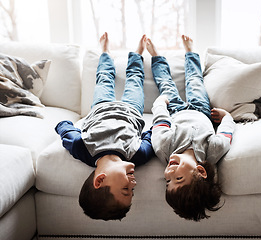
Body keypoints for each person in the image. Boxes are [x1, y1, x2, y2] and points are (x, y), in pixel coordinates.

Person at [55, 32, 154, 221]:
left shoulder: (81, 148)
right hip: (132, 109)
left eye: (126, 188)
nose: (133, 184)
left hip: (101, 107)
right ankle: (137, 54)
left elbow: (64, 126)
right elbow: (153, 135)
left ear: (100, 179)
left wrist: (73, 127)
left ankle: (105, 52)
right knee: (135, 79)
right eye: (132, 190)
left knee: (104, 77)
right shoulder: (138, 155)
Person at [147, 35, 236, 221]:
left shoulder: (164, 147)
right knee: (195, 81)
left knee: (165, 84)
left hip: (174, 111)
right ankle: (190, 52)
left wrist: (160, 103)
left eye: (167, 182)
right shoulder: (214, 150)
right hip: (202, 111)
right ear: (201, 171)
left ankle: (156, 56)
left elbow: (160, 122)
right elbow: (227, 132)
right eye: (178, 178)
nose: (169, 173)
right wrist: (227, 116)